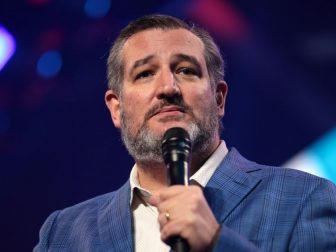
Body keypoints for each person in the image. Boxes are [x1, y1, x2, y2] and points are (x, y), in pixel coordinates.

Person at [34, 14, 336, 252]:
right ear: (116, 108)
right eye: (145, 74)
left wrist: (219, 245)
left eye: (186, 70)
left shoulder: (304, 198)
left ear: (219, 99)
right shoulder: (64, 233)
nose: (168, 87)